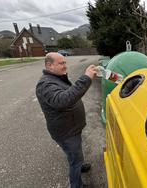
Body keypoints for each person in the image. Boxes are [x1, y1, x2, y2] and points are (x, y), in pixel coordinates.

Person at [36, 52, 97, 188]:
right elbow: (63, 100)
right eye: (61, 63)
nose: (65, 66)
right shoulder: (45, 84)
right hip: (66, 132)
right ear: (49, 65)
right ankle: (76, 185)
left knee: (75, 155)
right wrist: (86, 78)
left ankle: (78, 164)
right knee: (74, 159)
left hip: (71, 128)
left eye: (65, 62)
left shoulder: (56, 78)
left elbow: (70, 95)